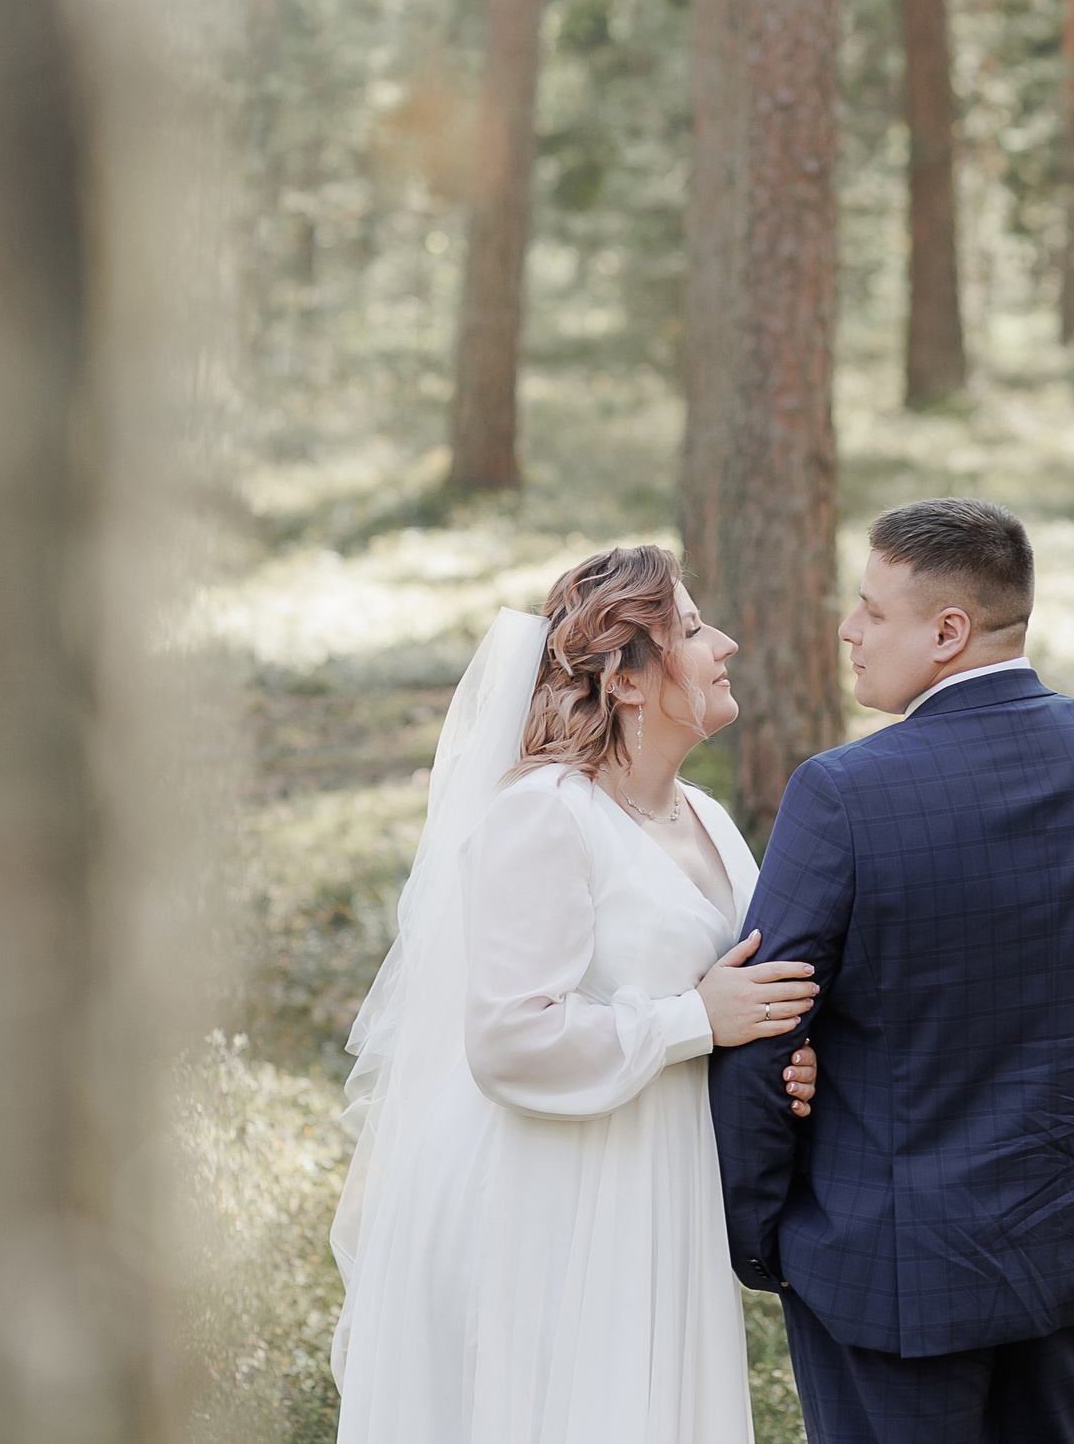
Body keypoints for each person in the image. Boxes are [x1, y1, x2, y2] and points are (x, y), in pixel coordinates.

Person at [710, 497, 1074, 1444]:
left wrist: (767, 1232)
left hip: (885, 1263)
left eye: (872, 609)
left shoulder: (842, 794)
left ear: (948, 630)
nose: (849, 630)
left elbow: (764, 1029)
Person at [330, 543, 820, 1444]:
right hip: (550, 1192)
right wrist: (694, 1020)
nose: (727, 644)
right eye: (692, 627)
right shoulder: (545, 812)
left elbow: (745, 990)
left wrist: (788, 1055)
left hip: (661, 1175)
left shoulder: (707, 818)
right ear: (627, 681)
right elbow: (512, 1037)